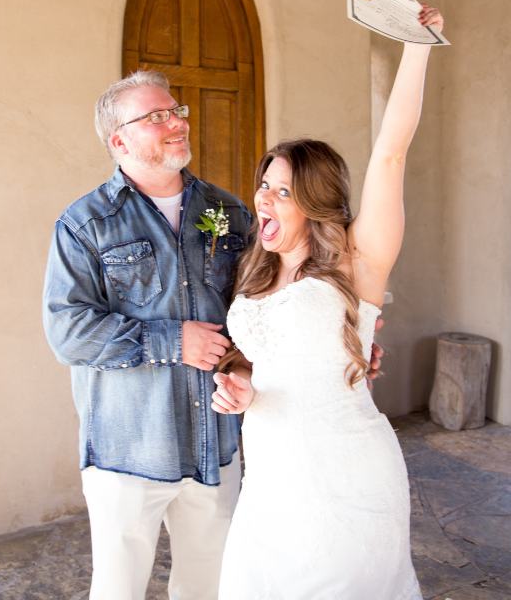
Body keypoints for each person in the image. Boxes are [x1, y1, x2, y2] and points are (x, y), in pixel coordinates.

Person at [43, 69, 383, 600]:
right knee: (118, 591)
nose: (176, 121)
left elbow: (274, 297)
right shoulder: (84, 225)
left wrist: (338, 337)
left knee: (208, 589)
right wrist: (172, 341)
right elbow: (68, 331)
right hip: (131, 451)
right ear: (119, 141)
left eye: (176, 110)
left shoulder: (228, 213)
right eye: (156, 116)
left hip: (216, 447)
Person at [212, 5, 444, 600]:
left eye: (282, 190)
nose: (263, 198)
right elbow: (268, 361)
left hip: (345, 476)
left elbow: (391, 153)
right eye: (263, 183)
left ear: (313, 201)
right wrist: (241, 383)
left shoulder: (357, 262)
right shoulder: (256, 267)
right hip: (269, 481)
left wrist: (417, 45)